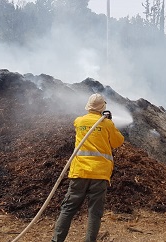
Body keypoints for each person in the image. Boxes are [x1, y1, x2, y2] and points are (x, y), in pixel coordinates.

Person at [51, 93, 125, 242]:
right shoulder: (107, 124)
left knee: (68, 209)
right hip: (99, 174)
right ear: (103, 107)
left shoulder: (79, 121)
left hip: (79, 172)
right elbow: (118, 142)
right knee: (95, 213)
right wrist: (109, 121)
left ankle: (56, 240)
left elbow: (84, 129)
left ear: (88, 106)